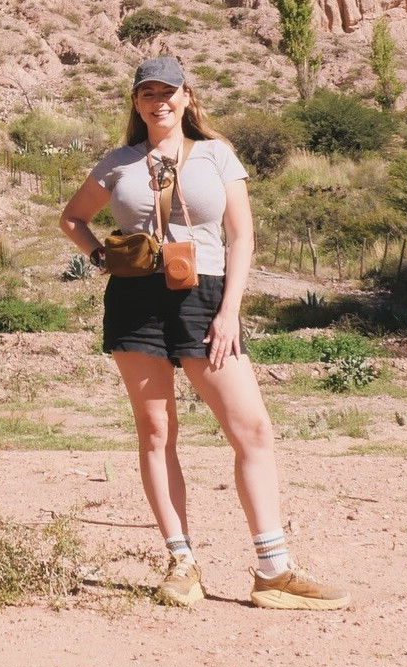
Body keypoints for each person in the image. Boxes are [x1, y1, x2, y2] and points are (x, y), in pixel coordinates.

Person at [59, 55, 350, 610]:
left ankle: (273, 569)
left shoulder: (217, 155)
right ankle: (181, 562)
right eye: (147, 92)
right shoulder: (118, 162)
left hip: (206, 296)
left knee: (253, 430)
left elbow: (241, 238)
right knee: (155, 432)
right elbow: (72, 217)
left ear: (187, 97)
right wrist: (100, 256)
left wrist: (229, 311)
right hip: (136, 300)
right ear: (136, 102)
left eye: (168, 91)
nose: (158, 101)